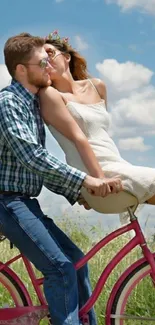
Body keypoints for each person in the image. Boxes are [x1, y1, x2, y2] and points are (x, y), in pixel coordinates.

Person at [0, 33, 123, 325]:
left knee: (77, 264)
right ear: (21, 70)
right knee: (60, 268)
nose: (48, 67)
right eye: (42, 62)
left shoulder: (32, 104)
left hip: (24, 203)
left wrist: (78, 193)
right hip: (7, 202)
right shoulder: (9, 102)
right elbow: (32, 156)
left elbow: (37, 167)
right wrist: (85, 180)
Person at [39, 30, 155, 216]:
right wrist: (98, 179)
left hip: (117, 164)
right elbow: (78, 138)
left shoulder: (97, 86)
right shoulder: (50, 95)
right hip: (94, 174)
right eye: (41, 59)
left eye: (50, 53)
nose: (46, 60)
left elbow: (102, 134)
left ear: (67, 57)